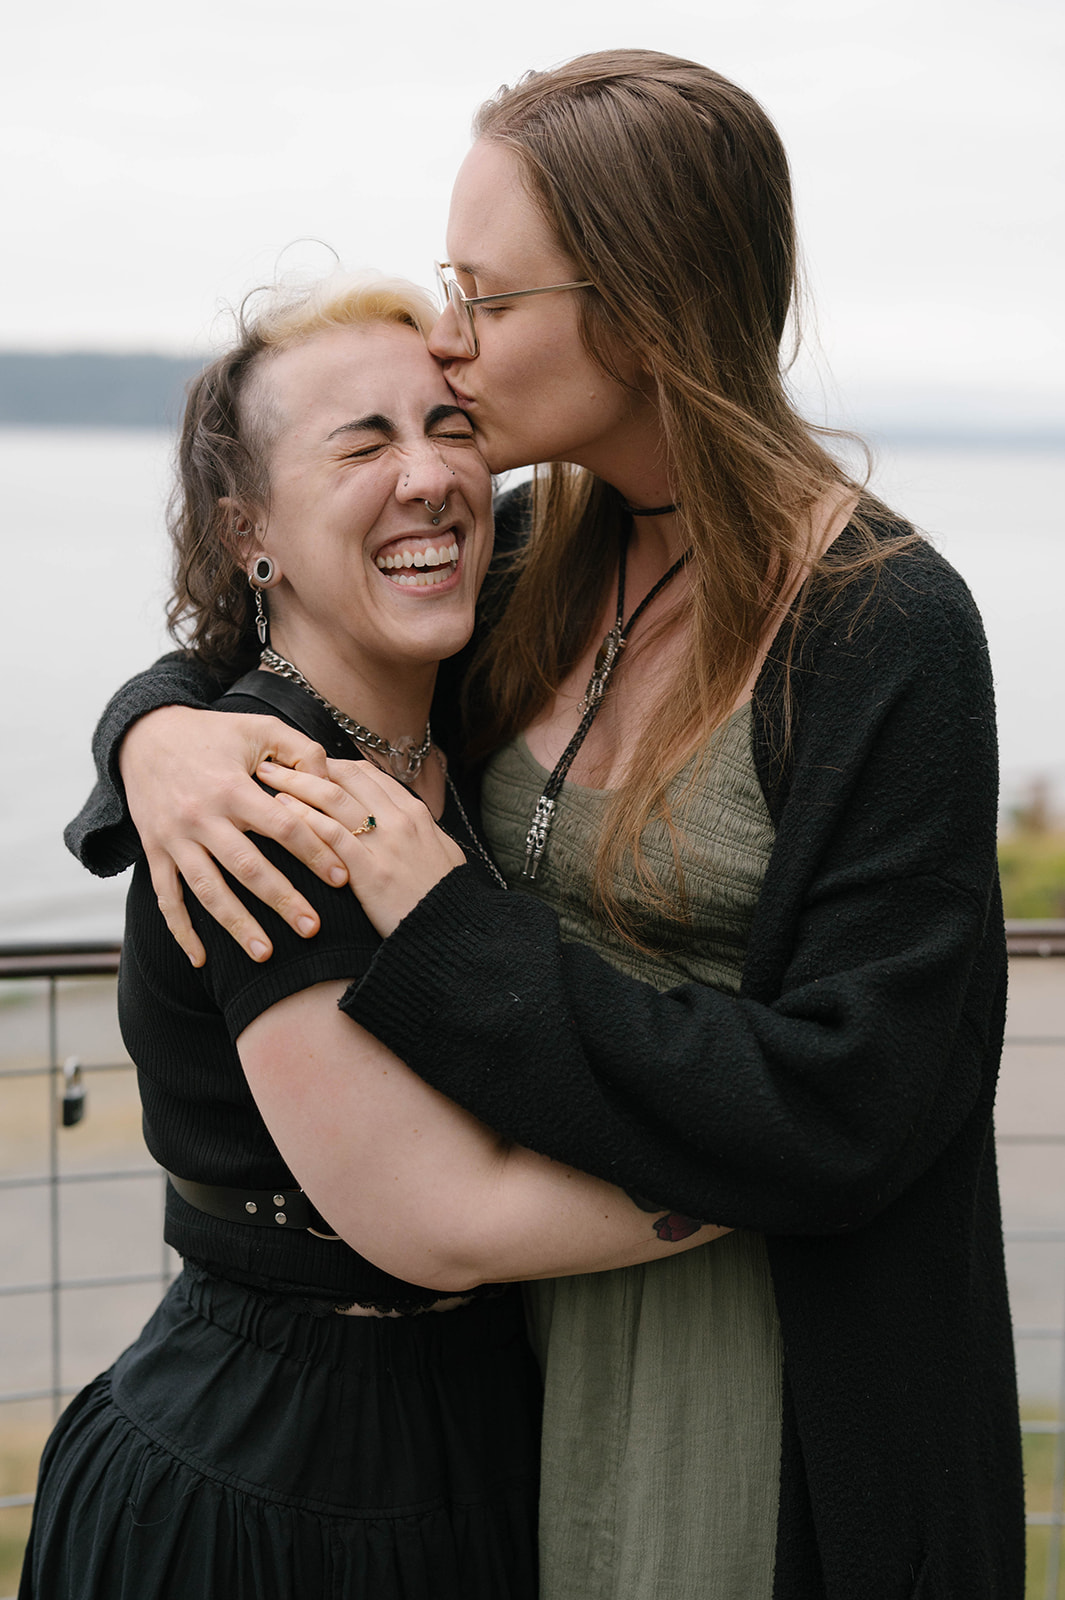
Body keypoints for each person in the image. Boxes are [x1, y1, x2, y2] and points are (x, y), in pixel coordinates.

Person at [65, 50, 1025, 1600]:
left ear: (642, 313)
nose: (448, 342)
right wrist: (156, 737)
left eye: (485, 296)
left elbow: (869, 1094)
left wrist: (450, 931)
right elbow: (288, 623)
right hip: (511, 1372)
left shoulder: (883, 625)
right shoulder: (529, 553)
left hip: (781, 1372)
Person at [22, 272, 728, 1600]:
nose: (427, 478)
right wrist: (779, 1166)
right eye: (362, 444)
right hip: (274, 1495)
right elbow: (439, 1220)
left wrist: (143, 721)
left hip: (456, 1441)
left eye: (449, 427)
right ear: (252, 535)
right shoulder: (269, 799)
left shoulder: (448, 717)